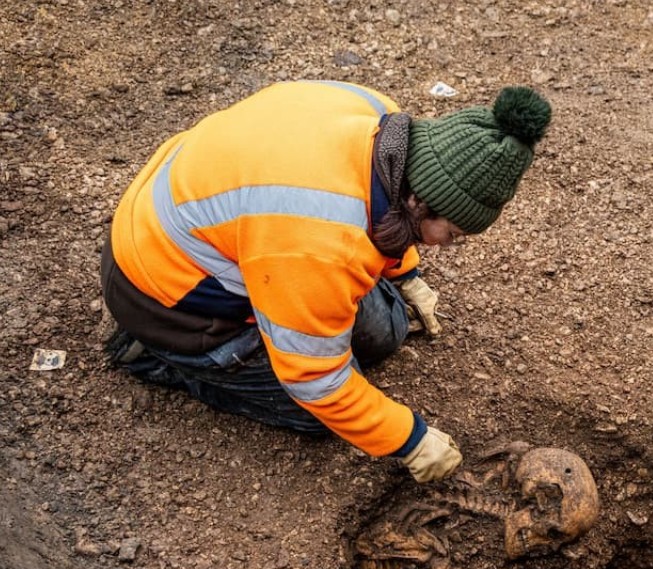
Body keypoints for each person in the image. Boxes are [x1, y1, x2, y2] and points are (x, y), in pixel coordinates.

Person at [101, 80, 551, 482]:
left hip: (215, 226)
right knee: (319, 414)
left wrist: (406, 273)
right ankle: (157, 358)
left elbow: (377, 209)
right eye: (450, 235)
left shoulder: (379, 120)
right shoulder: (317, 241)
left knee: (386, 333)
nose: (446, 247)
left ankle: (273, 320)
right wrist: (408, 438)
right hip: (167, 297)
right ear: (418, 200)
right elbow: (314, 379)